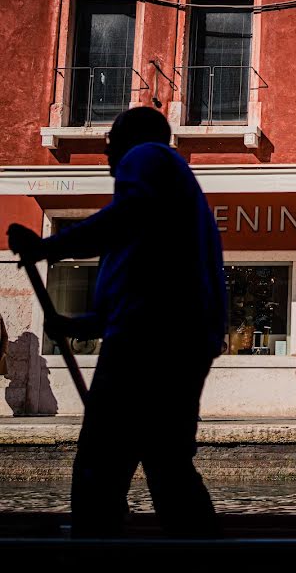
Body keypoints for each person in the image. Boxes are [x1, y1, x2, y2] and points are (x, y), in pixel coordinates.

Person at [7, 107, 225, 538]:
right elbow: (126, 299)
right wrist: (74, 326)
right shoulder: (161, 204)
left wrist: (48, 247)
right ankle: (198, 543)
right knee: (165, 458)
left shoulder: (148, 156)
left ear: (131, 138)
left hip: (153, 340)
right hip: (175, 336)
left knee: (102, 459)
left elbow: (129, 216)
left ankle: (97, 542)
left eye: (110, 142)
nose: (106, 154)